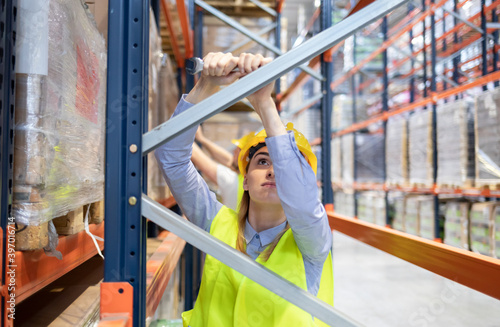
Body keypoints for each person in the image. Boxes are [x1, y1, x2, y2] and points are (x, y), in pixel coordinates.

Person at [155, 52, 333, 327]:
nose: (273, 170)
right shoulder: (216, 222)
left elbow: (300, 199)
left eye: (281, 166)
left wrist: (263, 103)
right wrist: (205, 86)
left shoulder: (310, 242)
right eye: (262, 162)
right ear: (245, 180)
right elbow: (172, 160)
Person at [191, 128, 255, 210]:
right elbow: (229, 160)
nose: (234, 151)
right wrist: (201, 139)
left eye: (238, 149)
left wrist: (180, 132)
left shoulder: (232, 180)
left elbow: (196, 155)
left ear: (244, 156)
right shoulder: (249, 179)